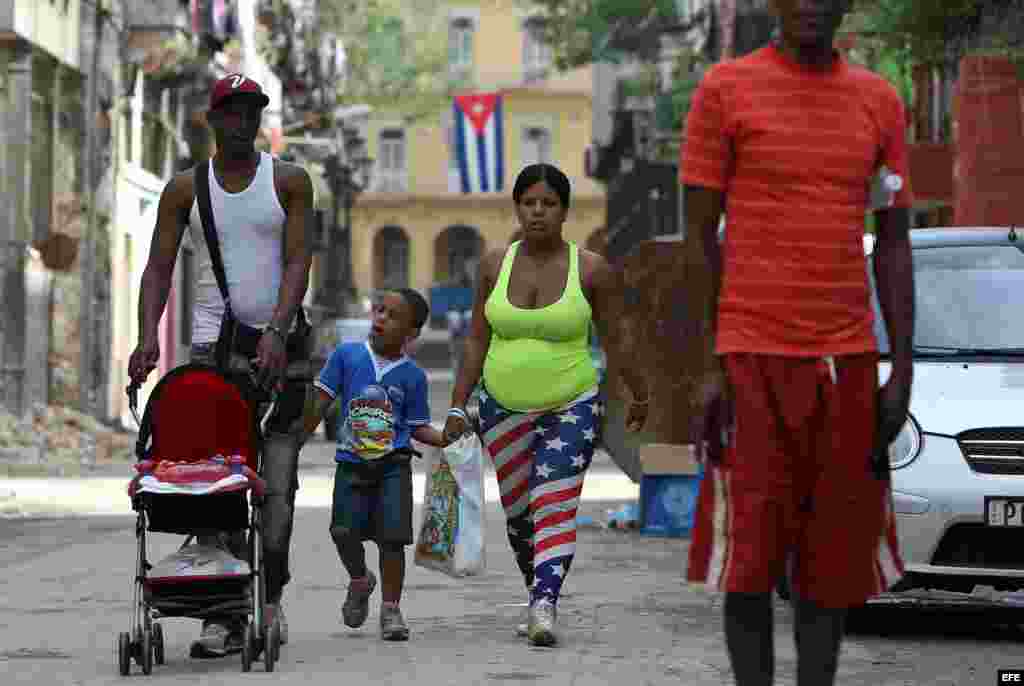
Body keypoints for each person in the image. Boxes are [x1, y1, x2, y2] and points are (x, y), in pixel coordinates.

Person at [682, 1, 914, 685]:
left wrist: (899, 370)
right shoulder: (724, 90)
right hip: (750, 360)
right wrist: (706, 366)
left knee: (830, 569)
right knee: (748, 568)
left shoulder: (879, 100)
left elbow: (894, 245)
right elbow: (698, 241)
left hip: (846, 364)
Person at [128, 73, 315, 657]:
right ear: (211, 119)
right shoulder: (185, 190)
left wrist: (279, 331)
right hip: (214, 352)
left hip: (286, 354)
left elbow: (298, 260)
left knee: (277, 486)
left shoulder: (289, 181)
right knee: (214, 481)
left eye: (251, 111)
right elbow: (158, 268)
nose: (242, 121)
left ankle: (271, 600)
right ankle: (224, 614)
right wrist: (146, 339)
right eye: (230, 111)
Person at [442, 163, 650, 647]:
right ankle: (537, 592)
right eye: (529, 202)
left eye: (548, 203)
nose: (538, 211)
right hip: (501, 409)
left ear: (564, 211)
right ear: (517, 207)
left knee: (552, 504)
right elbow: (476, 339)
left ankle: (544, 604)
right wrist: (457, 406)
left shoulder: (593, 269)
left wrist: (637, 393)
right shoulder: (494, 264)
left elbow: (617, 340)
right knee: (519, 514)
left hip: (571, 405)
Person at [298, 288, 446, 641]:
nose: (381, 318)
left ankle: (391, 609)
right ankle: (360, 579)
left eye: (393, 316)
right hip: (351, 464)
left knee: (392, 541)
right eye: (379, 310)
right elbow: (319, 404)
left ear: (411, 333)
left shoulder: (413, 377)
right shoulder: (346, 356)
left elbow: (416, 427)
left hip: (394, 467)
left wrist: (445, 438)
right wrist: (293, 444)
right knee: (342, 532)